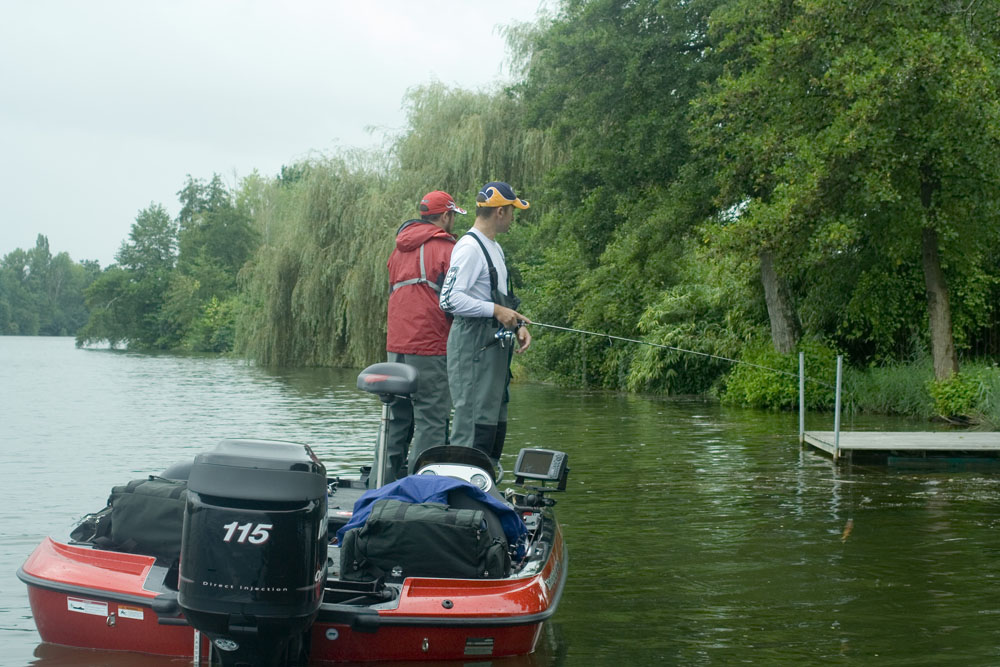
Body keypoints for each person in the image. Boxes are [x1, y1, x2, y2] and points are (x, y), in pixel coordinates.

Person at [439, 181, 532, 465]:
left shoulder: (495, 248)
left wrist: (517, 324)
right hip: (472, 347)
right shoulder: (469, 248)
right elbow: (449, 299)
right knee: (472, 428)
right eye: (513, 210)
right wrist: (494, 310)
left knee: (493, 424)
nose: (514, 217)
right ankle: (460, 493)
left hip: (493, 351)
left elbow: (499, 301)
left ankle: (486, 490)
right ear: (500, 212)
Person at [380, 190, 466, 484]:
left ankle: (381, 484)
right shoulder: (446, 248)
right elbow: (455, 299)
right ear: (445, 216)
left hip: (396, 349)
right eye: (453, 216)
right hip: (429, 347)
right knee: (432, 419)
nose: (453, 222)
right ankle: (423, 488)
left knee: (397, 419)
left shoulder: (398, 250)